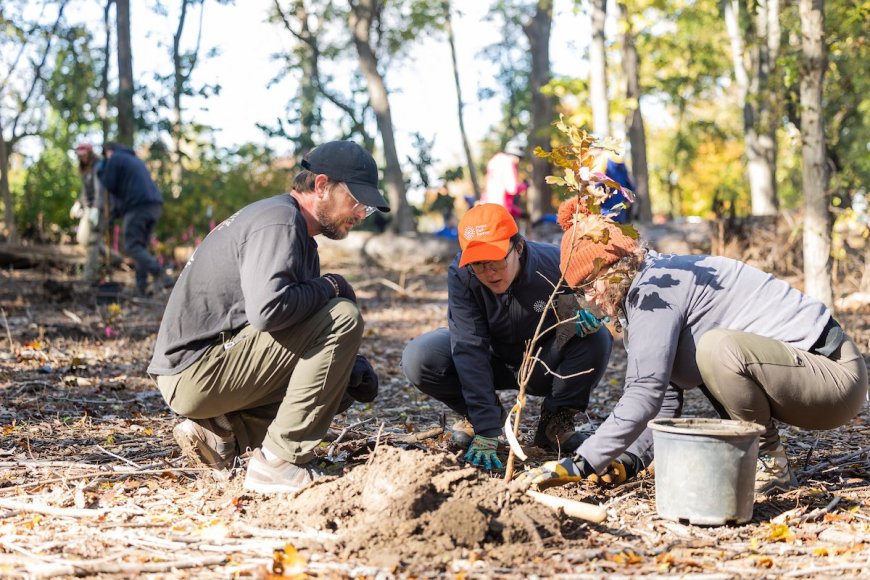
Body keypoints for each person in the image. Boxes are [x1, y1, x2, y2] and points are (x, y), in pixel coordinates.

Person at [518, 197, 868, 494]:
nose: (588, 298)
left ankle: (768, 462)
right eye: (580, 291)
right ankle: (760, 457)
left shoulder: (653, 290)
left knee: (717, 350)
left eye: (590, 284)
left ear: (617, 267)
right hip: (807, 376)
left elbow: (644, 394)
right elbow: (664, 397)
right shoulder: (646, 288)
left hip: (833, 377)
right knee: (713, 352)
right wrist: (627, 461)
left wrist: (582, 461)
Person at [148, 140, 389, 494]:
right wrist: (332, 287)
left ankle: (221, 431)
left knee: (342, 379)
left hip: (211, 370)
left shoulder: (297, 235)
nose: (359, 213)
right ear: (321, 186)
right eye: (357, 201)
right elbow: (269, 311)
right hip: (194, 371)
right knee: (342, 317)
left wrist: (350, 367)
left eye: (366, 208)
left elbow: (294, 324)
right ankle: (278, 464)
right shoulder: (279, 220)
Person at [402, 203, 614, 470]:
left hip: (542, 363)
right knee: (421, 356)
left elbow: (599, 297)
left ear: (519, 247)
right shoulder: (462, 275)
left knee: (596, 337)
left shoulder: (555, 263)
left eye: (496, 261)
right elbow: (469, 346)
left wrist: (592, 308)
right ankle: (477, 414)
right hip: (492, 360)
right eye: (478, 264)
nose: (488, 273)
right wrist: (486, 426)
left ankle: (556, 421)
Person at [98, 142, 172, 296]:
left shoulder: (115, 158)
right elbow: (122, 190)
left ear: (108, 151)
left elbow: (109, 184)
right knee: (140, 248)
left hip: (138, 206)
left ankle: (160, 273)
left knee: (132, 246)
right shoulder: (133, 160)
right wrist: (114, 213)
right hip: (154, 206)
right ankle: (141, 288)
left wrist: (101, 171)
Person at [71, 143, 107, 283]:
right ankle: (105, 253)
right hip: (88, 207)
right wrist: (78, 204)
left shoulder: (98, 166)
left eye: (84, 154)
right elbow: (85, 191)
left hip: (97, 207)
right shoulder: (85, 170)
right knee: (82, 239)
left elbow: (100, 189)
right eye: (80, 155)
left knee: (92, 241)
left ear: (90, 153)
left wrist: (97, 208)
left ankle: (89, 276)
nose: (82, 158)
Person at [481, 143, 527, 220]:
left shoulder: (495, 162)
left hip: (487, 209)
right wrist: (525, 185)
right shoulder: (507, 163)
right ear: (516, 156)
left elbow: (499, 194)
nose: (519, 162)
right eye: (519, 159)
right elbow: (512, 188)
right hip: (500, 213)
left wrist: (519, 213)